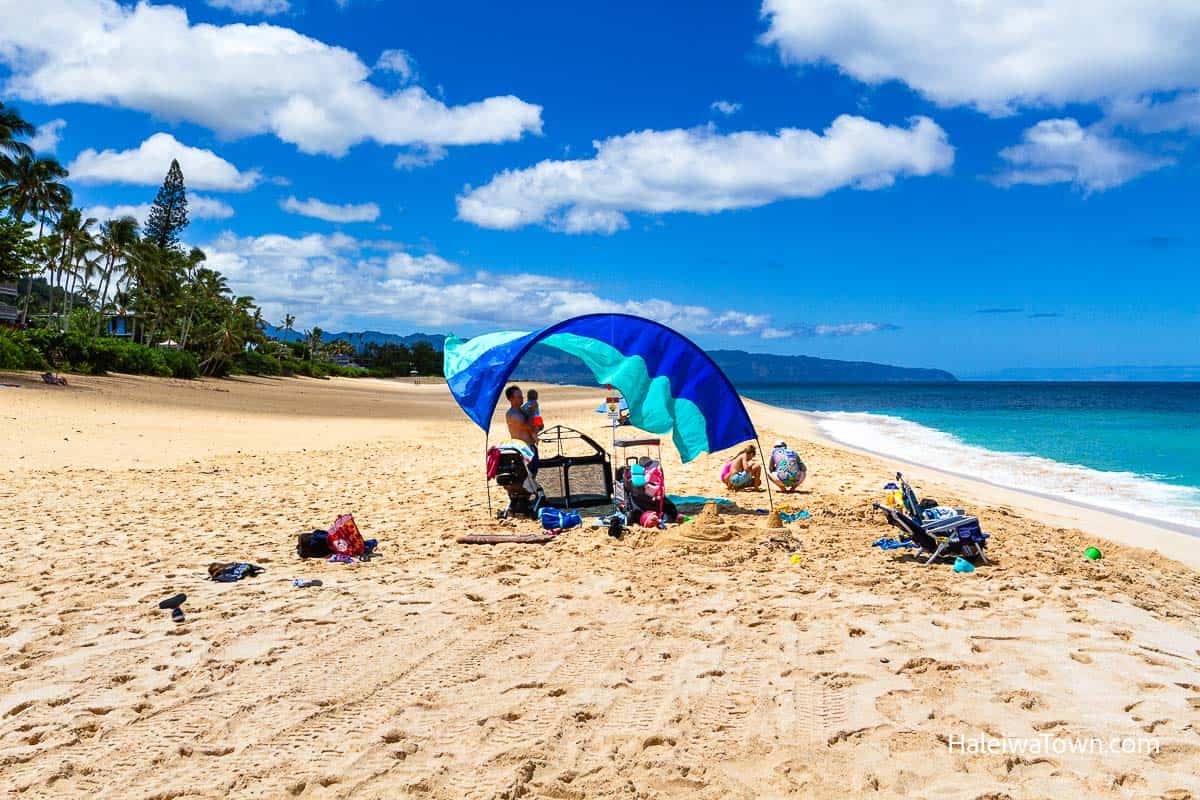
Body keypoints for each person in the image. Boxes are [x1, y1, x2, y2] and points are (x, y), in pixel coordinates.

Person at [504, 384, 539, 475]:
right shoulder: (512, 414)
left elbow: (536, 426)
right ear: (511, 399)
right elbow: (527, 426)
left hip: (530, 447)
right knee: (527, 477)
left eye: (521, 396)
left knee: (533, 474)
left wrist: (539, 423)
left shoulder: (523, 411)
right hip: (522, 450)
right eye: (518, 397)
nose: (522, 399)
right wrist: (532, 411)